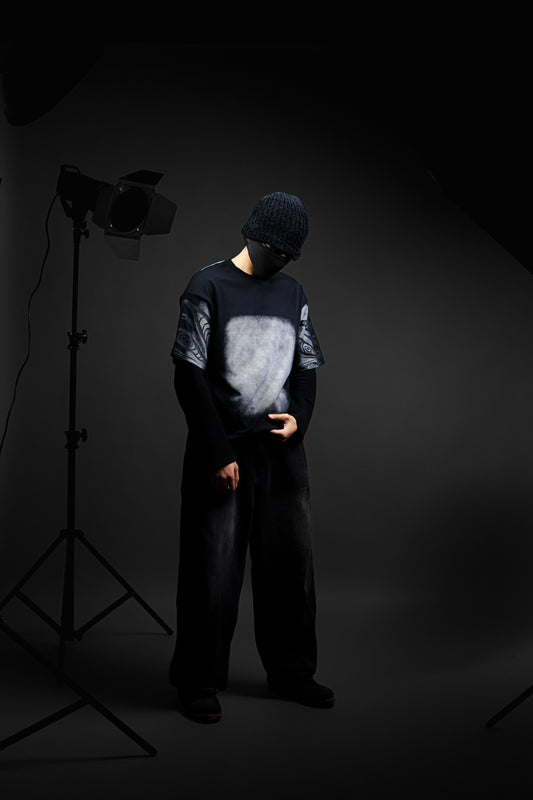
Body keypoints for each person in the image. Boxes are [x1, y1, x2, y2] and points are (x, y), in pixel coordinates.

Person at [168, 191, 334, 723]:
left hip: (283, 453)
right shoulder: (207, 286)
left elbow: (306, 366)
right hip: (224, 452)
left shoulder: (293, 292)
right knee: (212, 571)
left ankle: (292, 672)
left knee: (291, 567)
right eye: (277, 250)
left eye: (290, 255)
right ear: (254, 235)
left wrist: (300, 418)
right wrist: (216, 451)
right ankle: (198, 679)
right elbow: (188, 375)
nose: (282, 260)